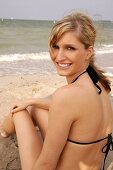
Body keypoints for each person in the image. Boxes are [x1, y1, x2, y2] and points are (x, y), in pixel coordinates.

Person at [0, 12, 113, 170]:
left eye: (69, 48)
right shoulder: (99, 83)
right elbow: (70, 107)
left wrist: (28, 105)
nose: (59, 56)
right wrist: (31, 101)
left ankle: (3, 133)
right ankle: (4, 131)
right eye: (55, 47)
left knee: (19, 112)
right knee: (34, 108)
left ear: (89, 52)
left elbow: (46, 164)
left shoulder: (66, 95)